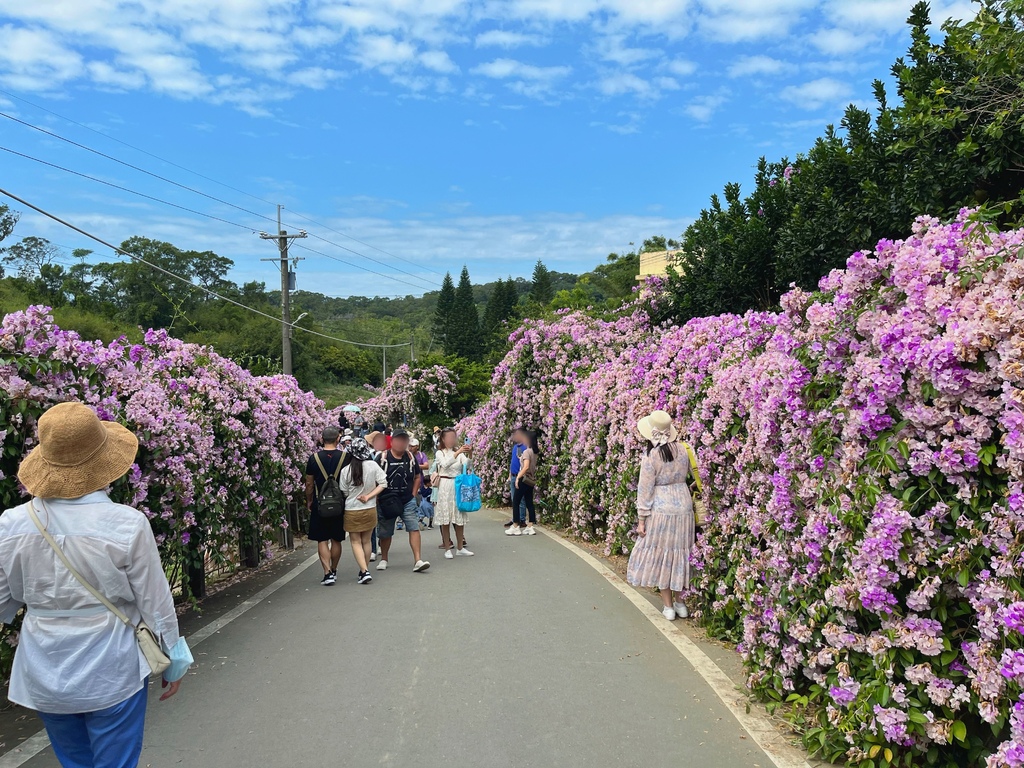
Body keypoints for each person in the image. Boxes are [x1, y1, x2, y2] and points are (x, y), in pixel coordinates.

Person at [0, 402, 190, 768]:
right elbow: (155, 602)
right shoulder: (126, 524)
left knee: (75, 762)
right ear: (106, 462)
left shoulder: (11, 525)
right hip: (111, 664)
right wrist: (174, 661)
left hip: (44, 666)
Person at [625, 410, 695, 621]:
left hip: (661, 508)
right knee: (681, 553)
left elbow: (644, 490)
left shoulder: (651, 456)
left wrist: (641, 520)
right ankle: (681, 603)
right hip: (684, 505)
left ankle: (668, 607)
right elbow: (692, 474)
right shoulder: (684, 450)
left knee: (664, 554)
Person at [375, 430, 430, 573]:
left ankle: (418, 560)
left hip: (407, 499)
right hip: (387, 500)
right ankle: (384, 559)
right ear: (392, 442)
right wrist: (376, 498)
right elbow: (373, 479)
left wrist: (413, 494)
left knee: (413, 527)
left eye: (404, 441)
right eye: (398, 440)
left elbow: (418, 476)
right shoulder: (382, 457)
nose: (401, 443)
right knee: (385, 532)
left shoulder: (410, 457)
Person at [305, 426, 351, 586]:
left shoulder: (314, 458)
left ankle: (327, 573)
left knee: (322, 539)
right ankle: (334, 569)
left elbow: (309, 483)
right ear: (338, 439)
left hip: (321, 502)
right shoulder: (346, 457)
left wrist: (309, 500)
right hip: (340, 503)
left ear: (322, 439)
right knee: (337, 539)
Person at [339, 438, 388, 585]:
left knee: (355, 541)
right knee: (366, 540)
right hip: (370, 508)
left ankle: (364, 571)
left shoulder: (346, 470)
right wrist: (368, 496)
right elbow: (384, 483)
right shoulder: (373, 465)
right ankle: (364, 570)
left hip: (352, 509)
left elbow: (344, 491)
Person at [433, 428, 475, 559]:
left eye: (454, 437)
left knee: (459, 516)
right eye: (449, 437)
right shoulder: (440, 453)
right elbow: (445, 465)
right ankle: (447, 548)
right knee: (446, 518)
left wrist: (470, 454)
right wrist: (457, 453)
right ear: (443, 439)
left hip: (457, 485)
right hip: (445, 485)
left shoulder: (459, 453)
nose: (452, 440)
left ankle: (460, 547)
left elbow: (467, 465)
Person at [507, 429, 539, 536]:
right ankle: (530, 526)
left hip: (524, 479)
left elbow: (525, 467)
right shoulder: (534, 452)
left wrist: (518, 478)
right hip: (531, 480)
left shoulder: (526, 452)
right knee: (529, 502)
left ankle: (516, 525)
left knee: (516, 502)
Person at [505, 428, 528, 528]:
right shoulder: (515, 447)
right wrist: (510, 475)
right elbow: (512, 462)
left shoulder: (525, 447)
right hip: (513, 476)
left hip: (520, 476)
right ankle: (516, 518)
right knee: (514, 499)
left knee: (520, 499)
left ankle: (521, 519)